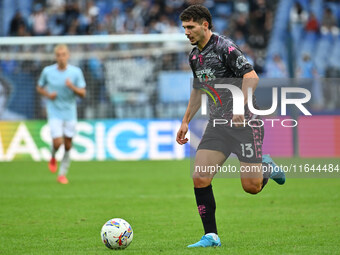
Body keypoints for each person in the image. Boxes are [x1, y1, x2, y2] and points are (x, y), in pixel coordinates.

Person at [176, 5, 285, 248]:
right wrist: (185, 121)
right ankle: (211, 236)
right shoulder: (194, 57)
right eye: (184, 27)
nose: (186, 32)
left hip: (245, 124)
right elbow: (197, 91)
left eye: (190, 27)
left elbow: (251, 77)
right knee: (200, 177)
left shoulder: (225, 47)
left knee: (252, 187)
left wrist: (238, 106)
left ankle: (266, 166)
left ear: (205, 25)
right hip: (217, 126)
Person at [36, 44, 86, 184]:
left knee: (68, 145)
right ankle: (53, 157)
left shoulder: (76, 72)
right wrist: (48, 95)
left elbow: (83, 93)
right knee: (58, 142)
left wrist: (72, 87)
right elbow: (39, 87)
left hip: (70, 112)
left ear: (68, 56)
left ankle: (62, 174)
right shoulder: (48, 71)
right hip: (54, 111)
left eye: (63, 55)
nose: (61, 58)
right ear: (55, 57)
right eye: (58, 55)